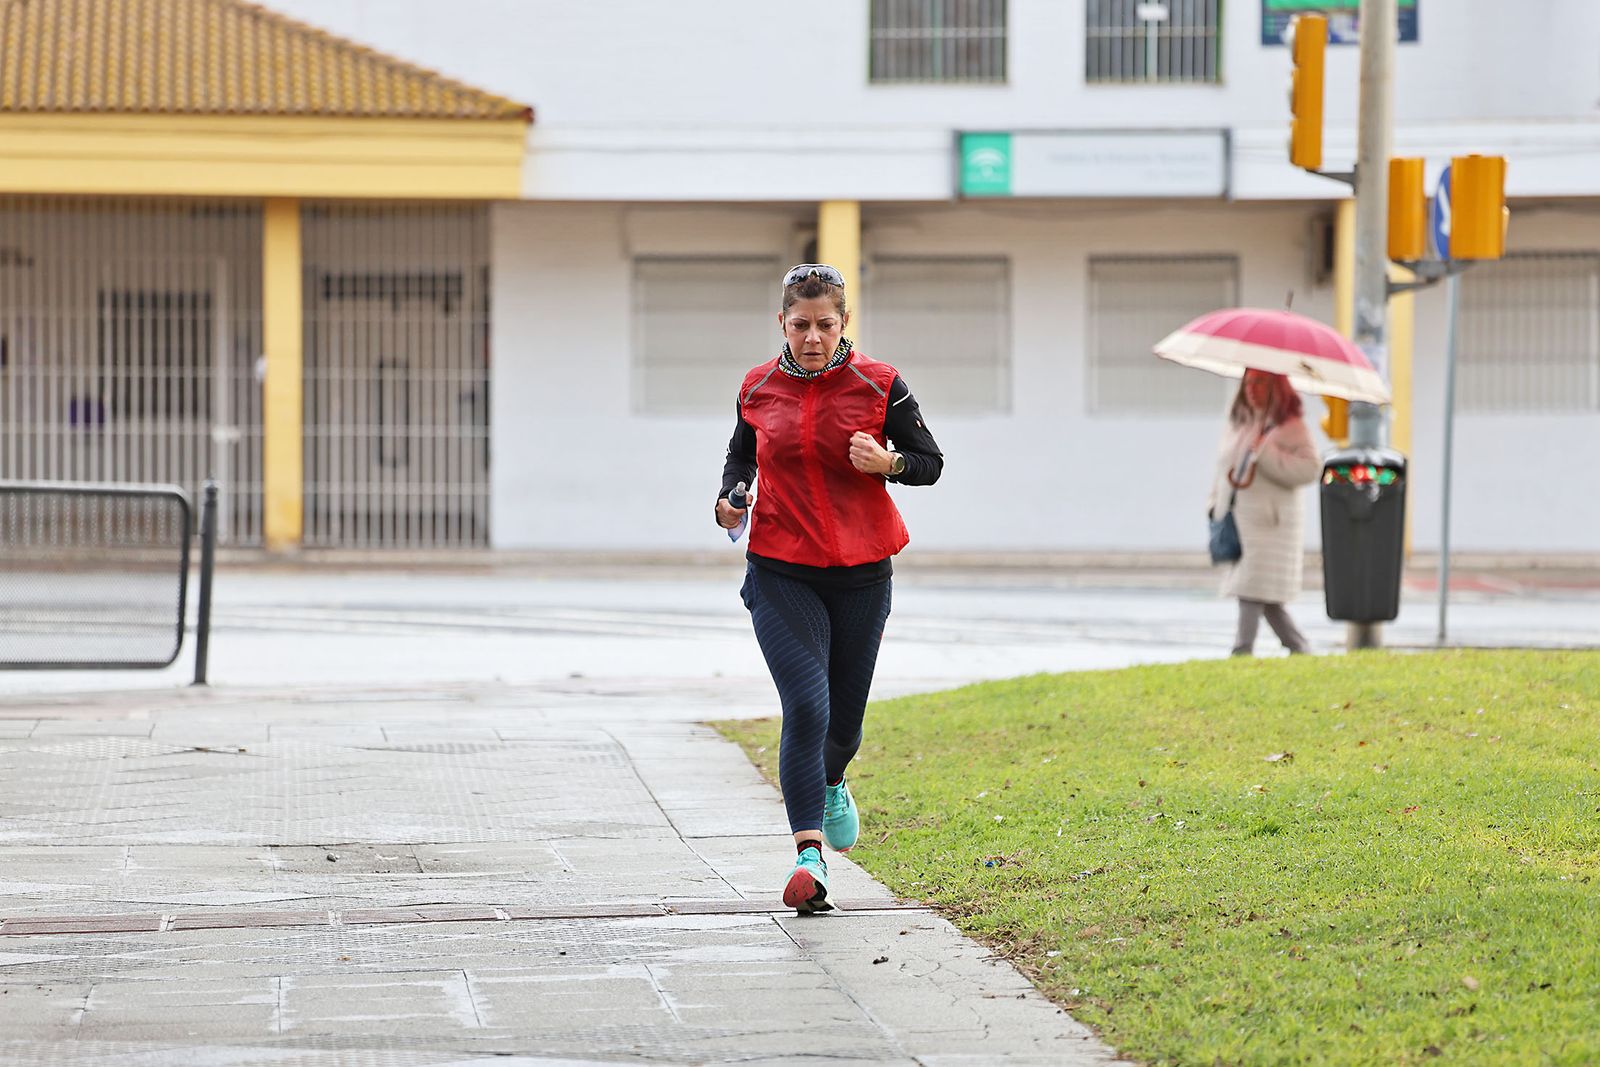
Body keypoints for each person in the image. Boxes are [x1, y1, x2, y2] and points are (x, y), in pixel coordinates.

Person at [715, 263, 943, 913]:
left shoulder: (881, 384)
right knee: (807, 706)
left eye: (824, 324)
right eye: (799, 325)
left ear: (844, 324)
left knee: (842, 725)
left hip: (863, 574)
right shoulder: (757, 386)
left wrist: (889, 461)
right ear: (781, 324)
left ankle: (834, 779)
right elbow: (741, 457)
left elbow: (929, 462)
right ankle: (809, 857)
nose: (811, 337)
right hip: (781, 569)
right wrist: (730, 503)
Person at [1208, 368, 1322, 657]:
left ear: (1275, 387)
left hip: (1272, 524)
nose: (1251, 389)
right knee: (1263, 594)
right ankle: (1298, 647)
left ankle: (1242, 649)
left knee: (1251, 587)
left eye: (1259, 383)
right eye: (1248, 383)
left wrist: (1268, 455)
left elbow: (1310, 468)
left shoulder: (1291, 427)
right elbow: (1224, 467)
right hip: (1240, 520)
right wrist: (1214, 503)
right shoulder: (1241, 423)